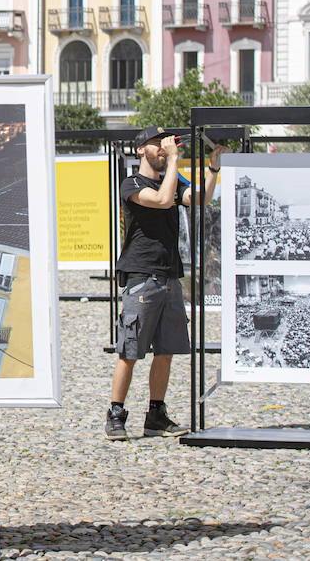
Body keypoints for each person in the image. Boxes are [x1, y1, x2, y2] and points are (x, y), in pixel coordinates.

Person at [106, 127, 221, 440]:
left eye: (166, 145)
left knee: (166, 350)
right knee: (130, 350)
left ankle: (155, 414)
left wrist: (213, 168)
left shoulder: (173, 178)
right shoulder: (131, 184)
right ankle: (116, 412)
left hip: (169, 274)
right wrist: (173, 161)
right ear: (141, 150)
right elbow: (159, 199)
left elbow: (199, 198)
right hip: (142, 276)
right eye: (157, 145)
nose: (164, 149)